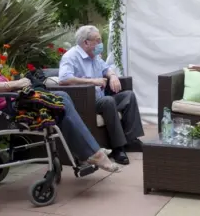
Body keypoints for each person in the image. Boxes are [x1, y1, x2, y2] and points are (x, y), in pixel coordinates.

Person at [0, 13, 119, 173]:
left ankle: (89, 151)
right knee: (60, 99)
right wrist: (14, 85)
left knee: (56, 97)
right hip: (4, 105)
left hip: (8, 100)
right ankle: (91, 152)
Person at [58, 25, 144, 165]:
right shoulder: (71, 56)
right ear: (86, 42)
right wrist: (92, 81)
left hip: (100, 98)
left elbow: (107, 69)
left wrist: (113, 76)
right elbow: (63, 79)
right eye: (98, 40)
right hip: (86, 101)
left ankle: (131, 140)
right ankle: (118, 148)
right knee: (108, 101)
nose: (101, 44)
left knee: (128, 95)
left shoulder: (94, 57)